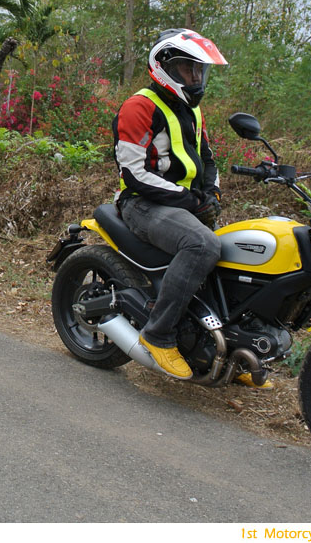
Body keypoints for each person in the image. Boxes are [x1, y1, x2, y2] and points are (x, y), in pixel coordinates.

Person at [112, 28, 242, 381]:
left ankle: (229, 348)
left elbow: (207, 159)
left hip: (183, 205)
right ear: (165, 67)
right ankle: (158, 334)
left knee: (237, 251)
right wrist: (191, 200)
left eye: (200, 70)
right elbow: (134, 173)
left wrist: (211, 193)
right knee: (203, 245)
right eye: (188, 69)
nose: (196, 77)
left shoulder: (191, 110)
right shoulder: (140, 106)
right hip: (143, 203)